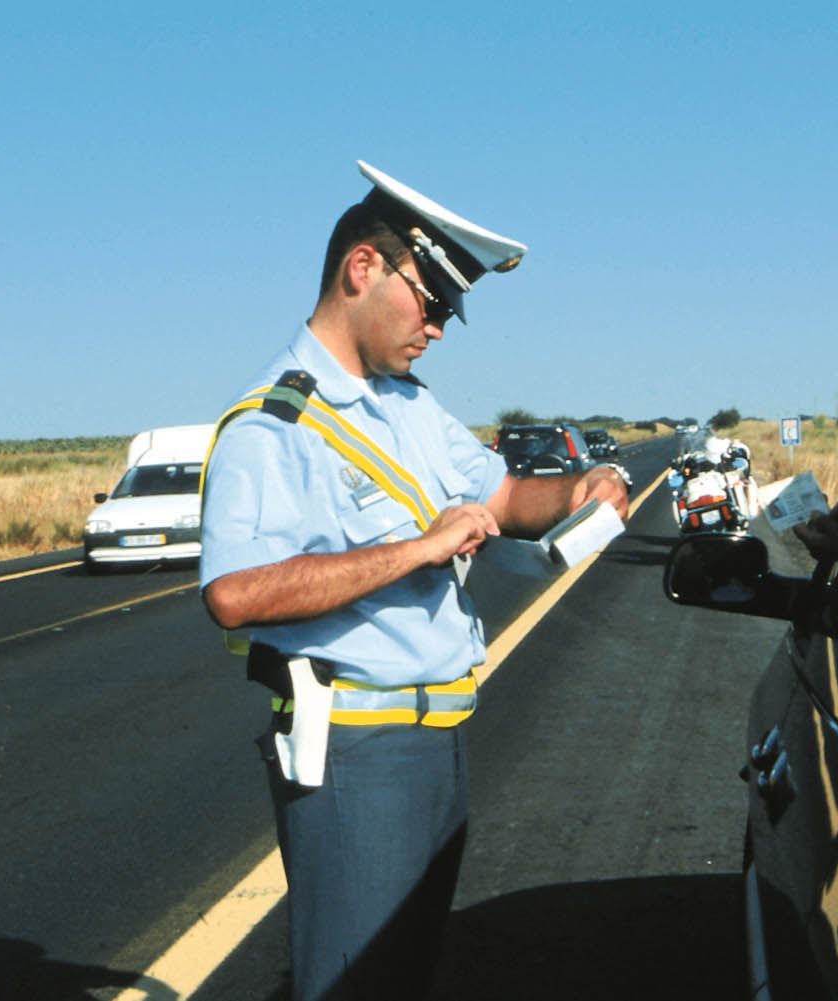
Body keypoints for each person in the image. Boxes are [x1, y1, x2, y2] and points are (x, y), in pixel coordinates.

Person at [198, 160, 630, 1001]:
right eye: (431, 301)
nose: (438, 327)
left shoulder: (408, 407)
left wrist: (576, 492)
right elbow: (235, 593)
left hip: (437, 748)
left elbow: (499, 494)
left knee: (407, 975)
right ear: (363, 269)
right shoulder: (272, 426)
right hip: (357, 757)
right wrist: (413, 551)